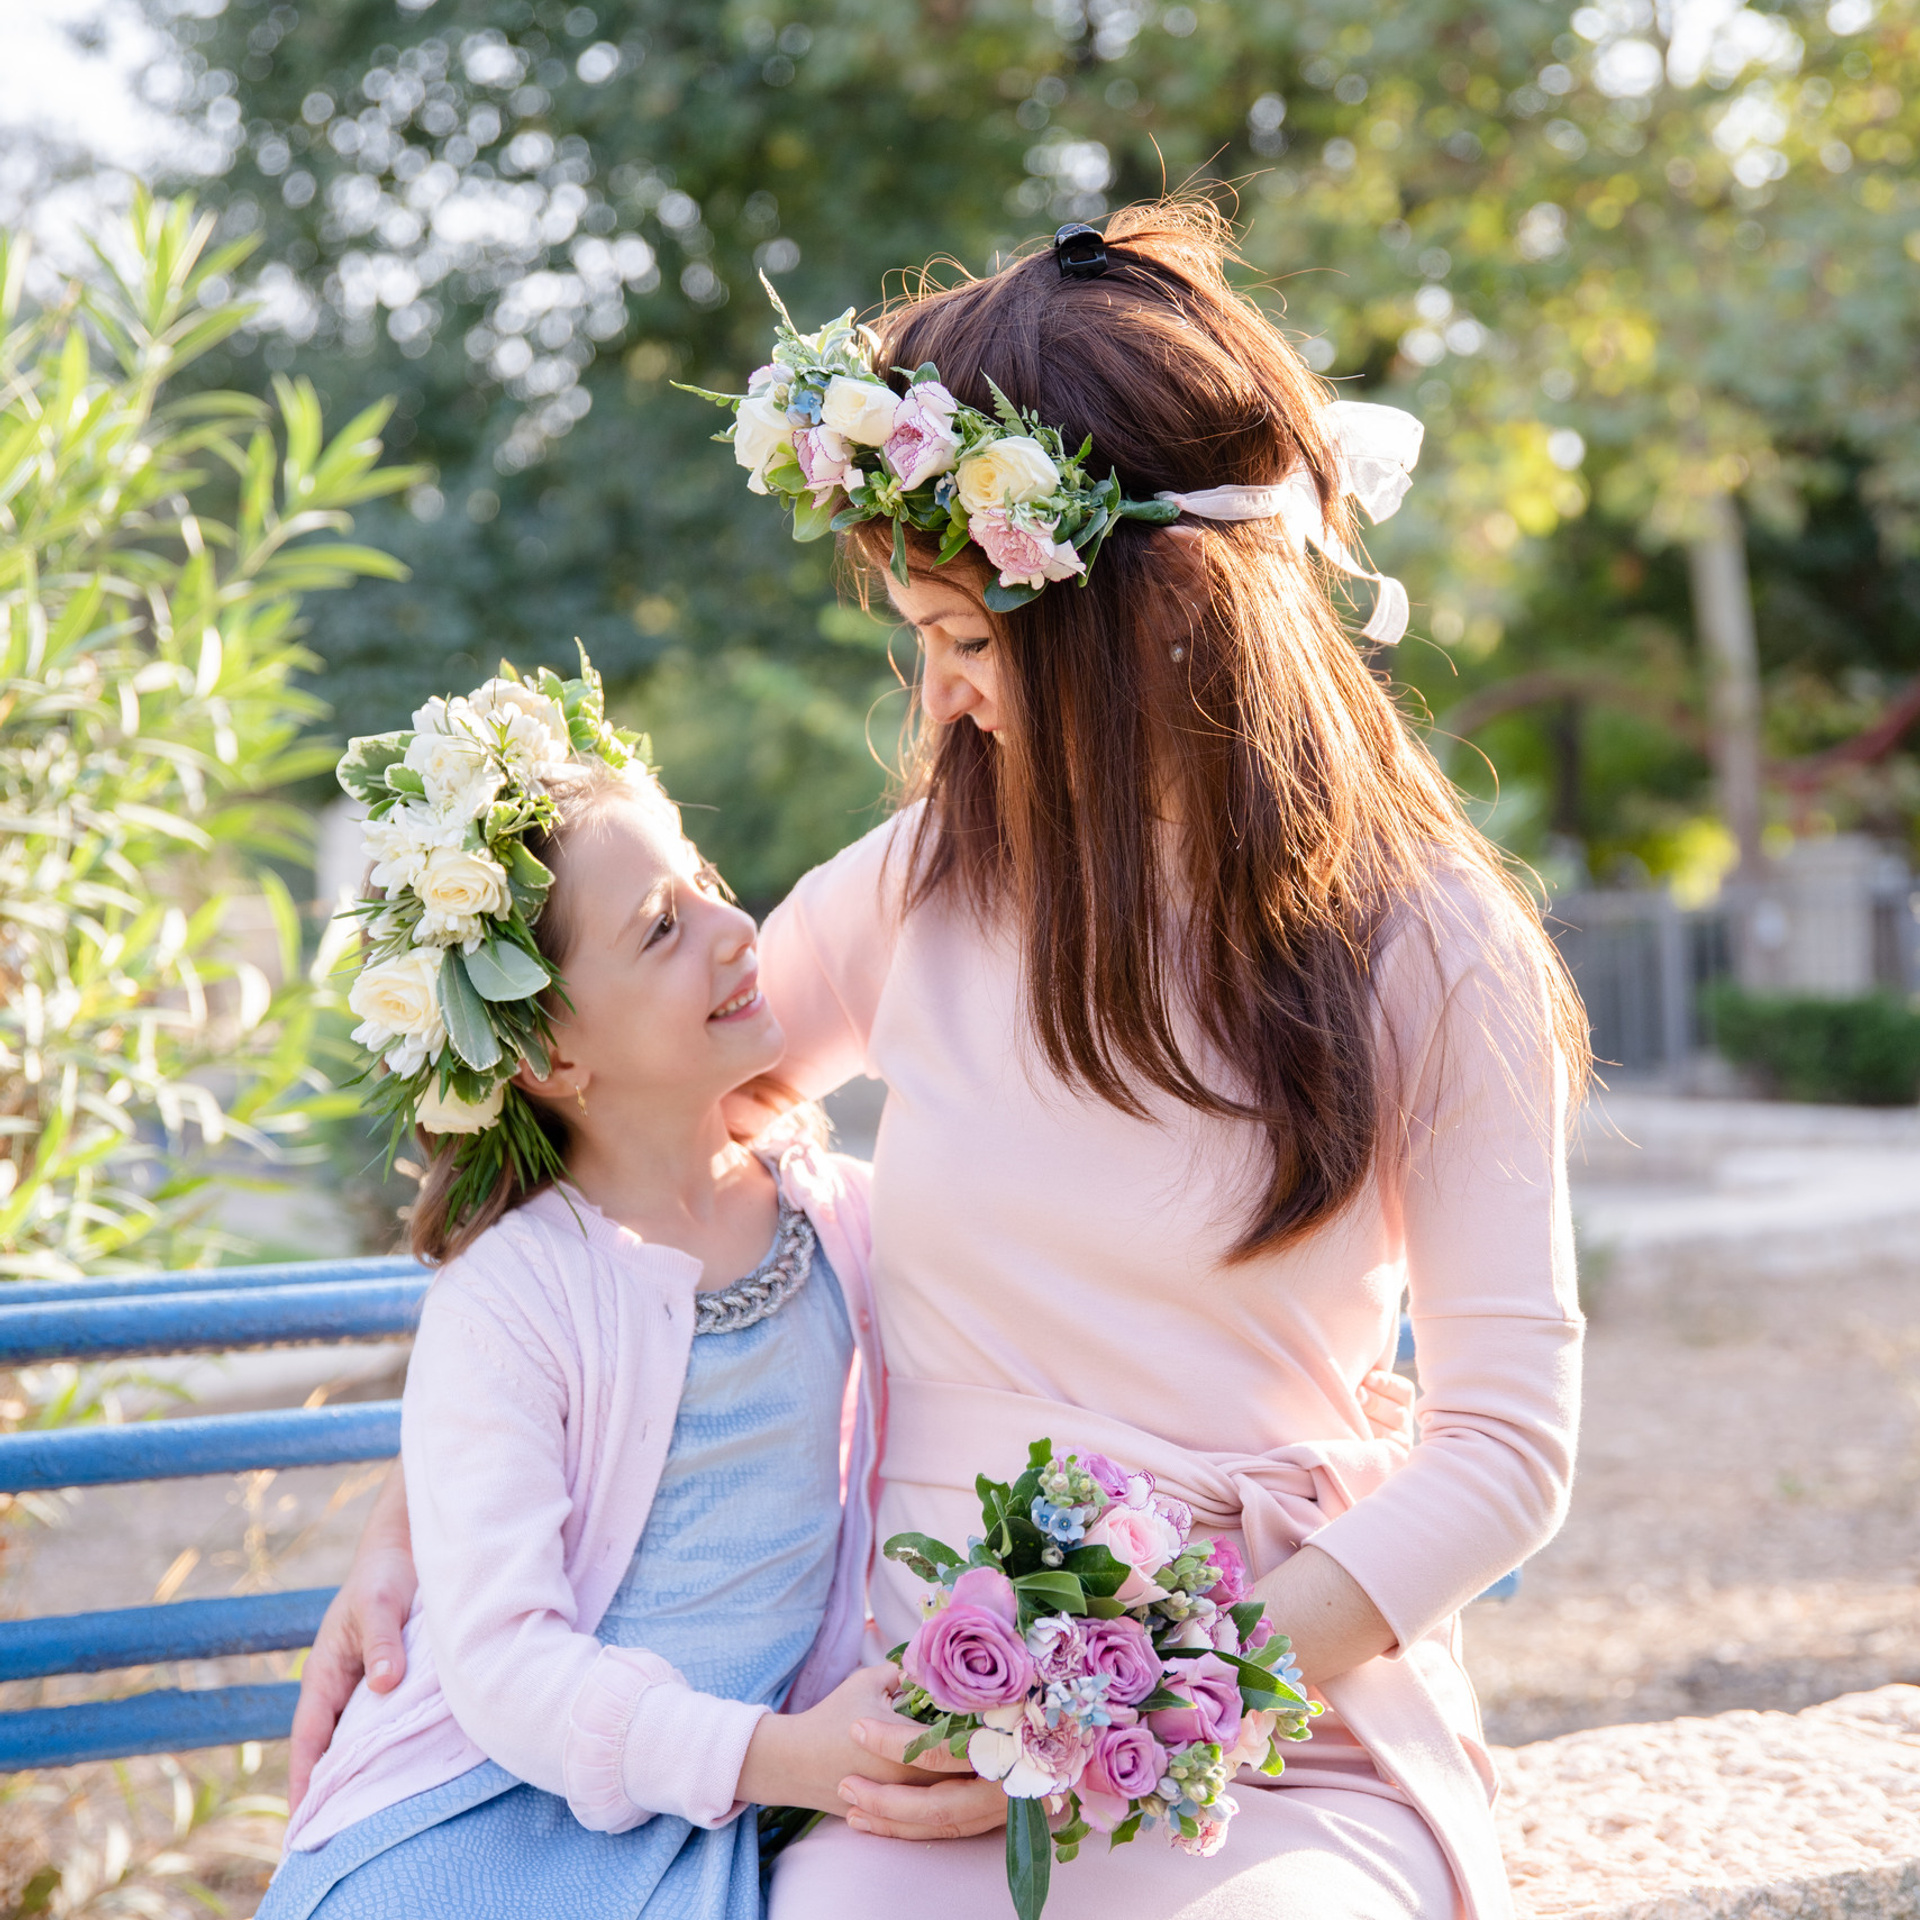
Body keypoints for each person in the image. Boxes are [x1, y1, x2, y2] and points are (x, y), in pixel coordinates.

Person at [293, 202, 1584, 1919]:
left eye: (974, 642)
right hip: (921, 1728)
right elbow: (644, 1120)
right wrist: (430, 1512)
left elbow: (1505, 1451)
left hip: (1268, 1713)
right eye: (927, 638)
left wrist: (1147, 1697)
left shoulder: (1428, 944)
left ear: (1158, 627)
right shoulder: (922, 893)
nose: (944, 693)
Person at [259, 734, 963, 1920]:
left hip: (707, 1821)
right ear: (544, 1052)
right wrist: (784, 1760)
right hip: (473, 1810)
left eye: (705, 881)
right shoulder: (513, 1294)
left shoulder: (843, 1219)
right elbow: (504, 1666)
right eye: (659, 927)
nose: (737, 929)